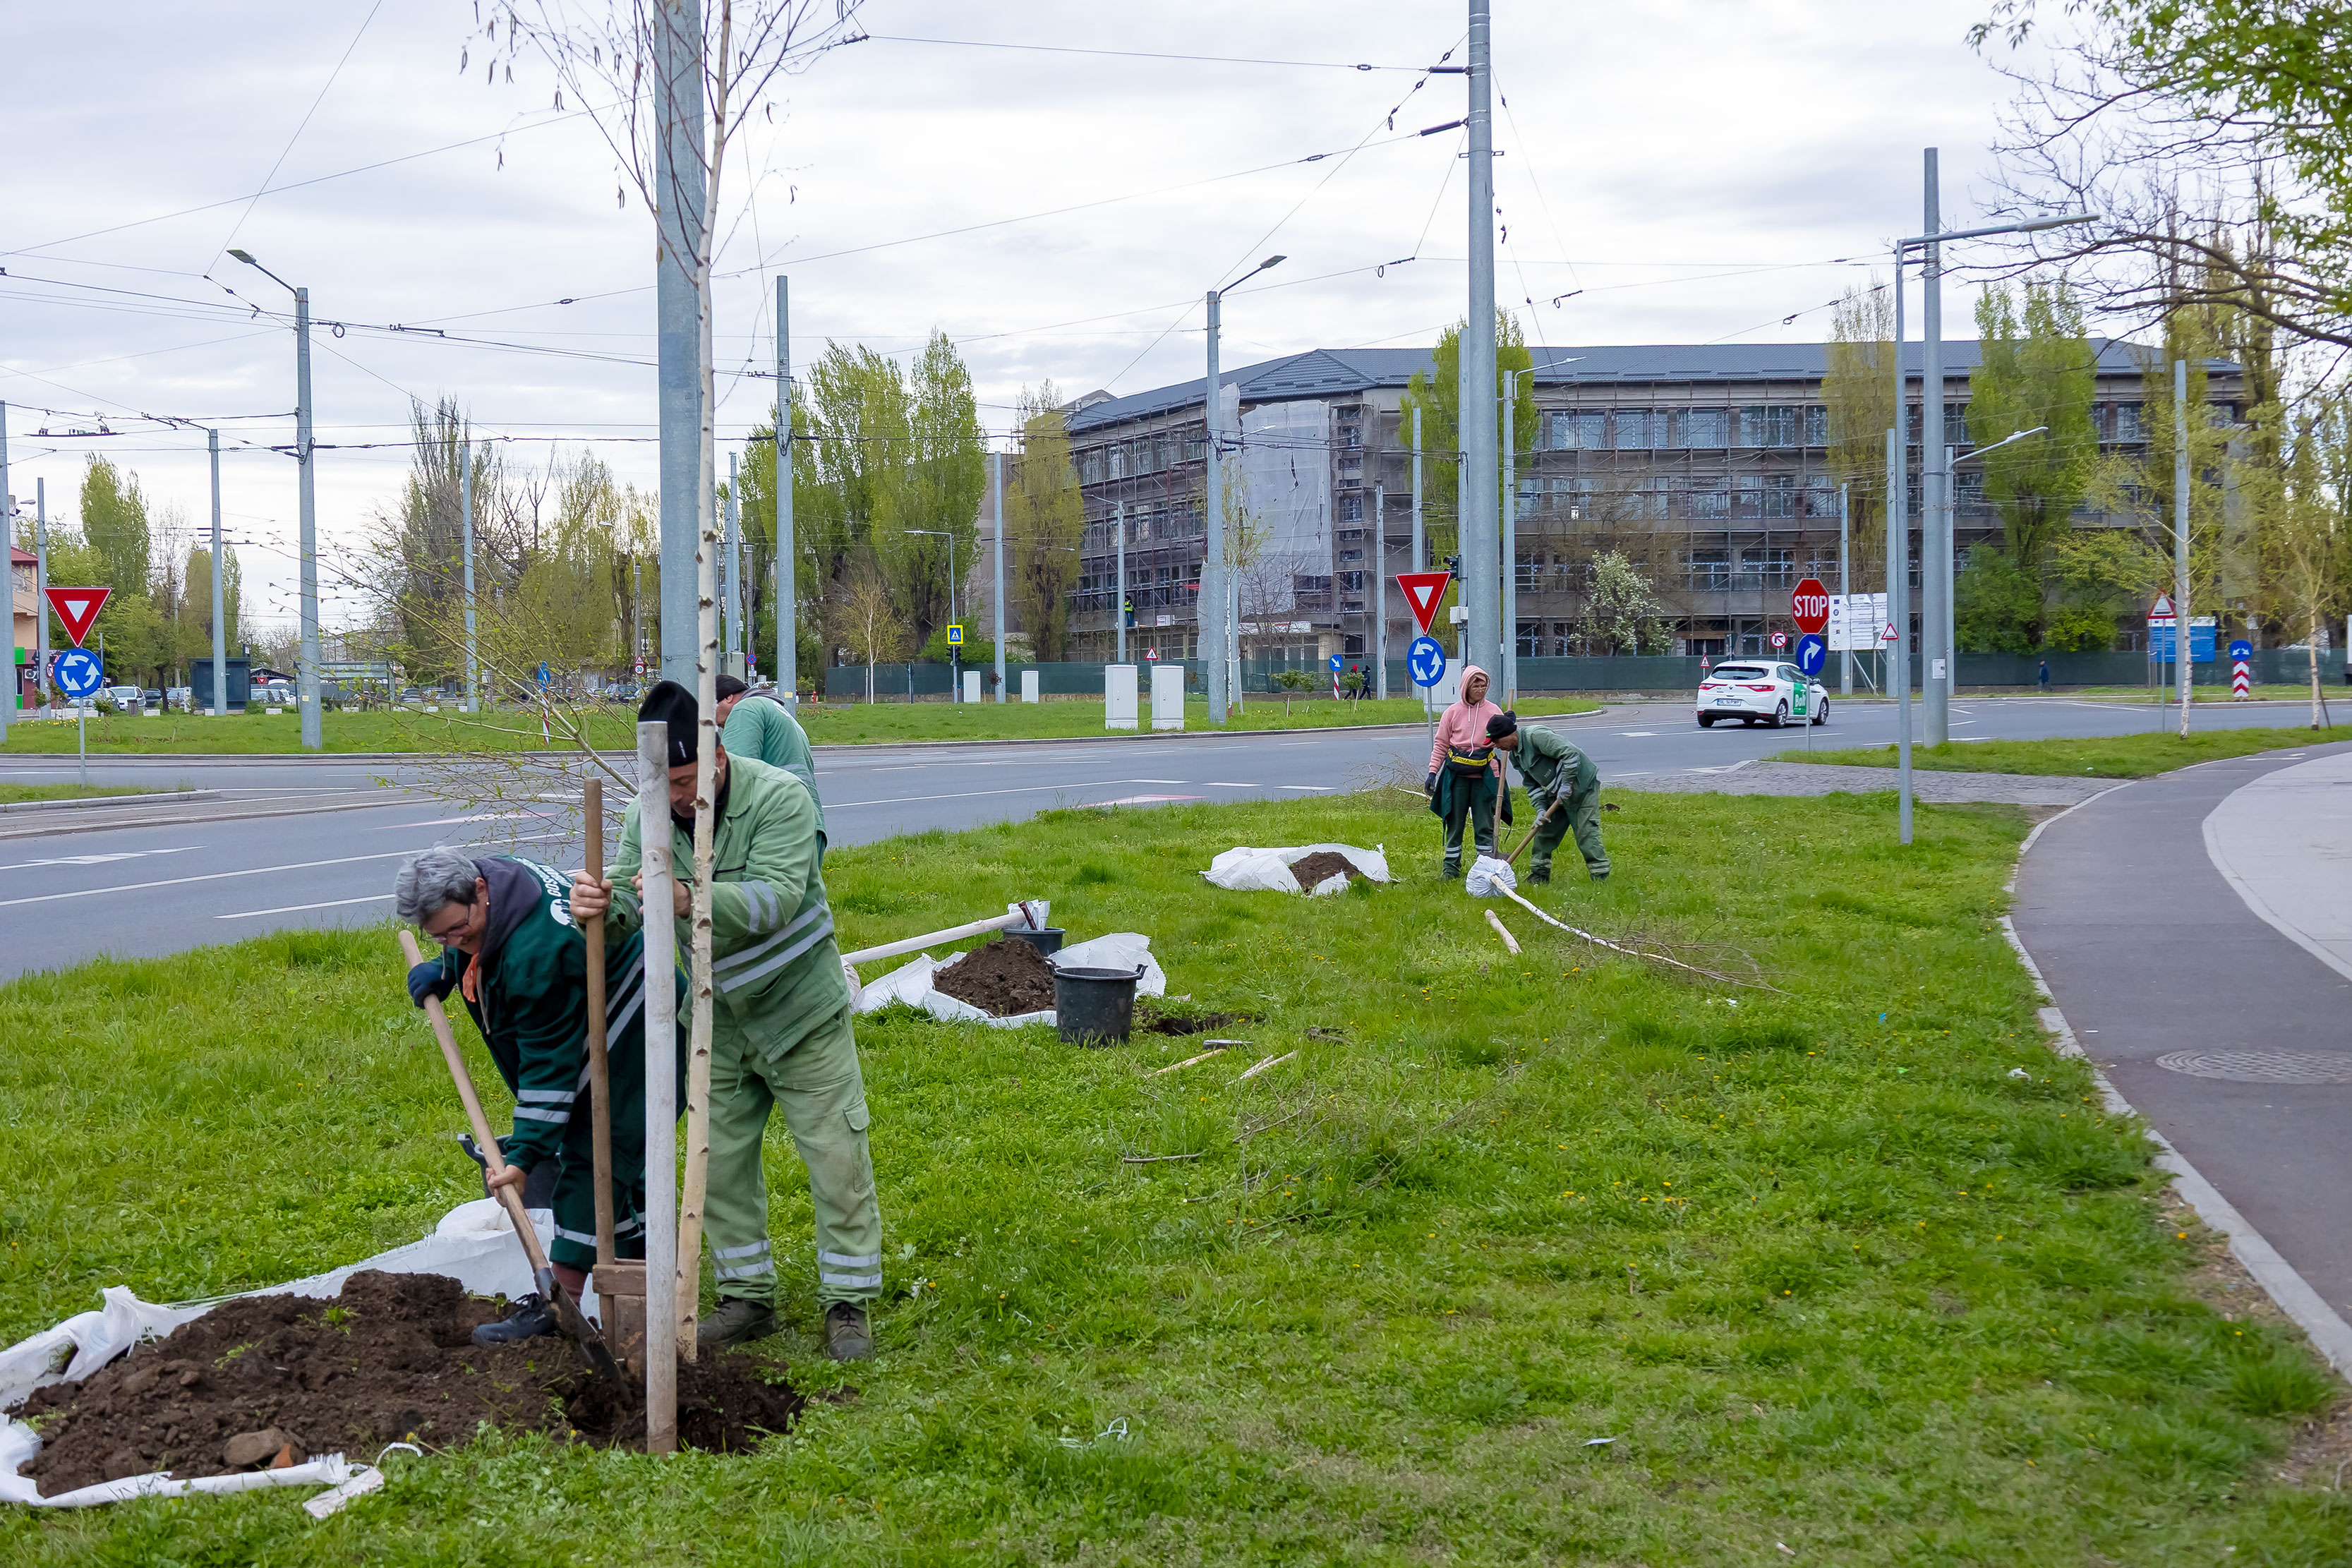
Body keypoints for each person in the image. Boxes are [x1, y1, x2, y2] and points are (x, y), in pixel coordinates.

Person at [572, 680, 880, 1361]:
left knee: (836, 1159)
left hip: (803, 1014)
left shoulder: (779, 798)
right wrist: (602, 905)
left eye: (686, 780)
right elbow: (630, 901)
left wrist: (686, 898)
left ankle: (848, 1303)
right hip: (718, 1024)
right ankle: (747, 1298)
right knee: (718, 1171)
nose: (678, 798)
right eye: (666, 783)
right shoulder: (643, 814)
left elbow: (775, 899)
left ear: (716, 756)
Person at [397, 845, 686, 1347]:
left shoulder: (536, 957)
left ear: (479, 892)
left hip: (642, 1026)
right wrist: (448, 967)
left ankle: (560, 1302)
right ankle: (643, 1274)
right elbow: (479, 943)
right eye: (437, 936)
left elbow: (548, 1074)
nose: (450, 940)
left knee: (593, 1154)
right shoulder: (493, 876)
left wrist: (525, 1156)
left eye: (454, 930)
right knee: (609, 1171)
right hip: (596, 1003)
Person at [1489, 712, 1610, 884]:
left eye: (1497, 742)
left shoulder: (1536, 736)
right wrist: (1540, 809)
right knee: (1544, 833)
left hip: (1583, 787)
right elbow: (1531, 785)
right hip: (1556, 793)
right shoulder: (1516, 755)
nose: (1497, 746)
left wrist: (1567, 784)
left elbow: (1571, 754)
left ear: (1508, 735)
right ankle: (1539, 875)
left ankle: (1600, 877)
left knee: (1586, 833)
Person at [717, 674, 826, 858]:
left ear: (728, 697)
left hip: (780, 825)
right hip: (808, 821)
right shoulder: (778, 711)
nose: (717, 724)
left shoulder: (745, 709)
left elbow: (732, 777)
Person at [1426, 664, 1504, 877]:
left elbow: (1503, 742)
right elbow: (1441, 744)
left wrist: (1507, 728)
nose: (1481, 689)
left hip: (1484, 777)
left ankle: (1486, 869)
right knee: (1454, 822)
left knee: (1485, 824)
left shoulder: (1494, 711)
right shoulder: (1452, 713)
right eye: (1476, 684)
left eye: (1484, 684)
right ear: (1465, 687)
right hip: (1457, 777)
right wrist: (1433, 773)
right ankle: (1451, 869)